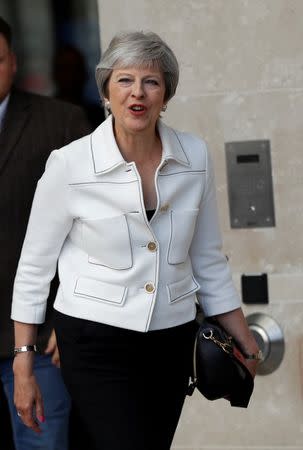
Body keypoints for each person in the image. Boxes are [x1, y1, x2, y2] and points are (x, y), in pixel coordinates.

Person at [11, 31, 260, 450]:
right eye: (125, 80)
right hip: (94, 343)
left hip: (170, 341)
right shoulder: (70, 164)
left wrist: (243, 337)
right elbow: (35, 266)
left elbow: (208, 258)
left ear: (166, 94)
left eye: (152, 82)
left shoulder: (195, 156)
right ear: (106, 90)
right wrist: (23, 360)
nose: (137, 93)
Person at [0, 16, 91, 450]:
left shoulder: (62, 123)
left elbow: (96, 231)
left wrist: (68, 318)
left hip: (41, 340)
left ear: (13, 62)